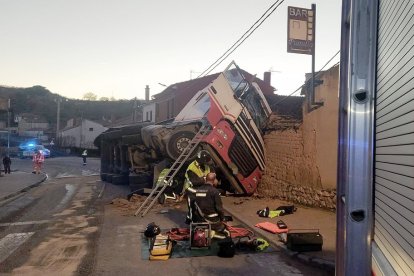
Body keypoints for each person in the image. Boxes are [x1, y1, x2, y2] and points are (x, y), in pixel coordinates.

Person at [187, 172, 229, 236]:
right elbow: (219, 208)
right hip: (213, 221)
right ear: (214, 180)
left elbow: (193, 206)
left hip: (200, 220)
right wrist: (222, 219)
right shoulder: (214, 191)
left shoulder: (198, 190)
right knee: (226, 231)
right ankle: (215, 234)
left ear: (206, 179)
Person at [182, 150, 214, 222]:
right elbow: (194, 182)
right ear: (202, 160)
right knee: (193, 206)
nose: (208, 162)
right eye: (207, 160)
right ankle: (192, 222)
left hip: (201, 187)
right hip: (191, 188)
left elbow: (211, 173)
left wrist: (213, 177)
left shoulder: (206, 166)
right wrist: (206, 179)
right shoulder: (191, 168)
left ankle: (194, 217)